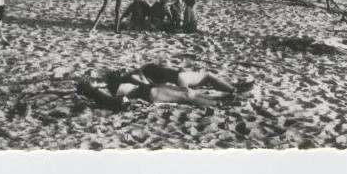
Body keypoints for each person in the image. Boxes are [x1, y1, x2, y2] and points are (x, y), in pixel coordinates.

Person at [78, 64, 253, 110]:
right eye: (91, 80)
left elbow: (115, 100)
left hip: (148, 93)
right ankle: (220, 103)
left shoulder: (106, 88)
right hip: (149, 92)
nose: (95, 80)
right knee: (185, 95)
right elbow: (115, 101)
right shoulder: (106, 89)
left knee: (185, 95)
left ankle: (220, 101)